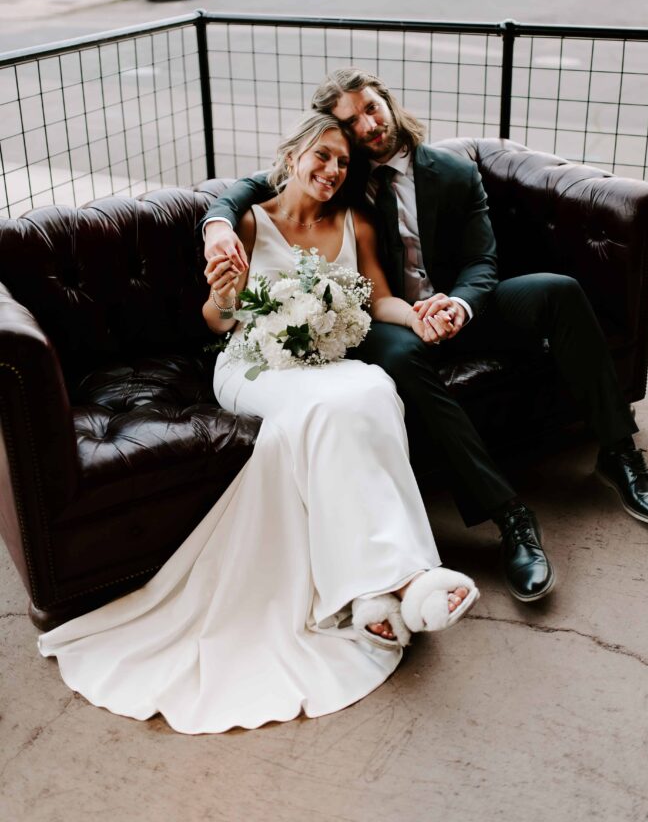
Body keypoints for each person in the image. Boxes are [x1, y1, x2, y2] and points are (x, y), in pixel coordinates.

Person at [37, 111, 479, 735]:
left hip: (323, 364)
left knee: (376, 386)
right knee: (331, 407)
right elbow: (216, 320)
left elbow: (378, 298)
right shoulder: (245, 219)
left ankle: (375, 593)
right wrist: (226, 293)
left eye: (343, 163)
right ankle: (405, 580)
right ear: (294, 154)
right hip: (250, 364)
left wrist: (421, 318)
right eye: (321, 156)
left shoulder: (354, 222)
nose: (331, 171)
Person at [202, 68, 648, 604]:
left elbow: (482, 259)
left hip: (457, 306)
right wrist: (216, 221)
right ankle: (510, 517)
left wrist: (461, 306)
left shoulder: (451, 170)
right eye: (350, 122)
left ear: (388, 101)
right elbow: (259, 186)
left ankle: (619, 451)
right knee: (400, 355)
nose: (368, 123)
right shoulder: (341, 178)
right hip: (387, 322)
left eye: (371, 107)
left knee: (558, 290)